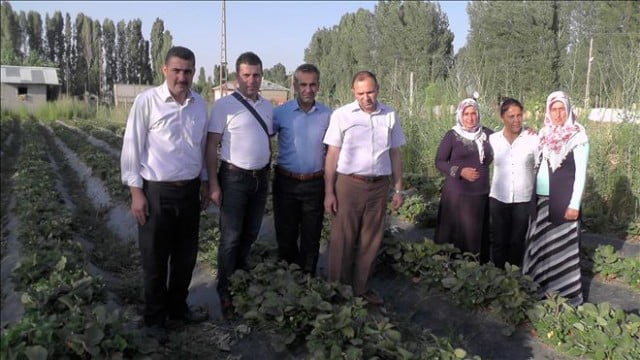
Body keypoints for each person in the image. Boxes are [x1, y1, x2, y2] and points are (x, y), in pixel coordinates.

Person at [120, 46, 209, 336]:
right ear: (165, 70)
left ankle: (178, 308)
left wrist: (205, 182)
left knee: (185, 257)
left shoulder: (199, 104)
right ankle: (155, 319)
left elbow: (201, 146)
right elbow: (132, 146)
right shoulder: (147, 101)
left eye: (187, 71)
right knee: (155, 259)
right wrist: (136, 192)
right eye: (177, 70)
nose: (182, 77)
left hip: (190, 191)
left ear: (193, 72)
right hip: (156, 191)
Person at [323, 71, 405, 305]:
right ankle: (337, 291)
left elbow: (395, 153)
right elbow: (332, 155)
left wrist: (398, 189)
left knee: (371, 240)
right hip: (349, 184)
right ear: (353, 92)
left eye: (370, 92)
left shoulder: (389, 115)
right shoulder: (342, 115)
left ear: (378, 89)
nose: (366, 97)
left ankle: (360, 290)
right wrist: (329, 191)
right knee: (343, 239)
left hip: (379, 186)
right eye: (360, 93)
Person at [206, 52, 273, 317]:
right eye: (246, 75)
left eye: (256, 75)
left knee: (251, 231)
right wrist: (213, 182)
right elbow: (212, 145)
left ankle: (240, 273)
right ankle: (225, 290)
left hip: (261, 178)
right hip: (234, 178)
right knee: (231, 236)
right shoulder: (224, 106)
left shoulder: (267, 107)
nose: (251, 80)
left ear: (261, 76)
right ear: (237, 77)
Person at [522, 91, 589, 306]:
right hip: (541, 200)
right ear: (548, 111)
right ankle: (539, 289)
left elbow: (581, 174)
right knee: (542, 246)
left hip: (563, 203)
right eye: (554, 109)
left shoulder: (578, 136)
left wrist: (574, 204)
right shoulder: (544, 133)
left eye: (562, 109)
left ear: (568, 110)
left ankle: (566, 296)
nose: (558, 113)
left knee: (562, 250)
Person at [272, 64, 330, 275]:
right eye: (303, 84)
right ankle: (287, 281)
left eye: (312, 84)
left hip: (315, 183)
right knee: (286, 236)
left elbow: (334, 150)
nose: (308, 89)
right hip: (286, 183)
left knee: (311, 236)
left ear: (318, 86)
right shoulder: (280, 113)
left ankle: (308, 281)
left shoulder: (327, 115)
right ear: (295, 85)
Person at [434, 98, 493, 263]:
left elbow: (502, 148)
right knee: (456, 234)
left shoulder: (487, 134)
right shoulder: (452, 135)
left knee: (475, 233)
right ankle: (449, 271)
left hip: (480, 193)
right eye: (466, 114)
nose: (470, 117)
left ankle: (475, 272)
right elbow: (439, 162)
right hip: (456, 195)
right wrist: (460, 171)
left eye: (473, 113)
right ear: (460, 115)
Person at [489, 98, 539, 268]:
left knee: (517, 242)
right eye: (511, 116)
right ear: (502, 117)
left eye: (519, 115)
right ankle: (497, 277)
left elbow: (543, 165)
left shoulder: (532, 139)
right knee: (498, 241)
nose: (516, 120)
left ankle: (513, 281)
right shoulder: (493, 140)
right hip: (498, 198)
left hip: (523, 200)